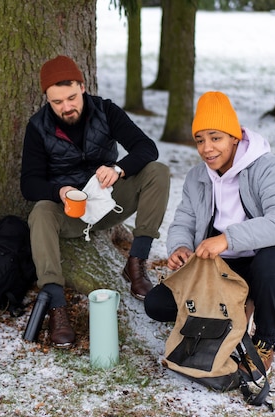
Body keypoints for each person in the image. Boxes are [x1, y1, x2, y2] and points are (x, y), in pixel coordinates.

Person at [144, 91, 275, 383]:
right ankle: (233, 311)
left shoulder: (267, 166)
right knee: (157, 304)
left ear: (234, 137)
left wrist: (227, 238)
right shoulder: (198, 176)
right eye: (199, 140)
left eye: (215, 137)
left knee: (271, 264)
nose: (207, 148)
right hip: (219, 267)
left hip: (263, 263)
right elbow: (184, 219)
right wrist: (180, 246)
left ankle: (265, 340)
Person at [21, 55, 171, 348]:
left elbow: (147, 148)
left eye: (72, 97)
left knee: (157, 172)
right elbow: (29, 183)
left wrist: (118, 169)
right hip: (70, 211)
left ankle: (136, 263)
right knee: (40, 213)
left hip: (109, 202)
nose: (66, 107)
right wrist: (59, 192)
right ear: (47, 101)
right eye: (57, 102)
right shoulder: (38, 127)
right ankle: (56, 306)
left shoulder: (105, 110)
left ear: (83, 86)